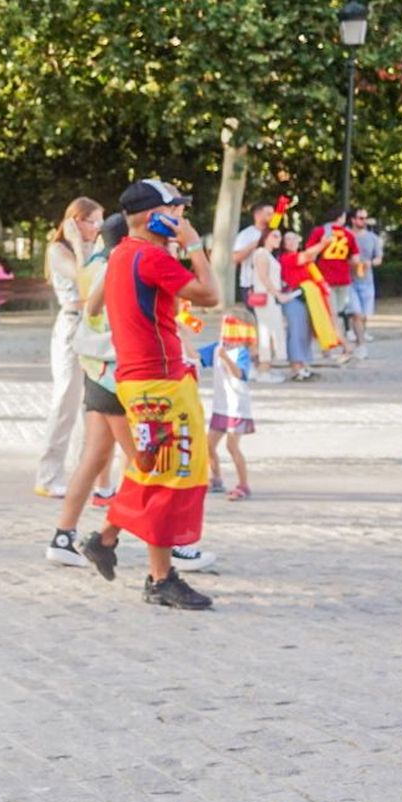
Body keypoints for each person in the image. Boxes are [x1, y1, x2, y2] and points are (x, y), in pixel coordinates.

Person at [77, 178, 218, 610]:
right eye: (175, 209)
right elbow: (211, 294)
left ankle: (106, 538)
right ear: (152, 215)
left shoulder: (122, 254)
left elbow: (95, 306)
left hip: (141, 379)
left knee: (152, 466)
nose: (182, 217)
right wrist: (194, 245)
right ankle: (160, 578)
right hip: (160, 381)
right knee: (173, 473)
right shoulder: (149, 257)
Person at [44, 213, 132, 567]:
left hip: (95, 367)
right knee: (146, 464)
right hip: (119, 371)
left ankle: (63, 536)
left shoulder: (94, 264)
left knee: (93, 457)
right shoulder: (121, 267)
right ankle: (161, 542)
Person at [34, 197, 103, 498]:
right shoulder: (58, 250)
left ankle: (81, 472)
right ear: (76, 221)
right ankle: (48, 475)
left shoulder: (95, 247)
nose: (97, 227)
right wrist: (77, 242)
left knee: (91, 402)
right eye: (92, 221)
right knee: (66, 399)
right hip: (72, 322)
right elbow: (83, 278)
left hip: (93, 324)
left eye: (101, 221)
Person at [207, 316, 257, 500]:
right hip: (221, 406)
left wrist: (225, 358)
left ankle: (244, 485)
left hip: (237, 407)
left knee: (232, 446)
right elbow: (195, 356)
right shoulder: (216, 348)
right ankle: (216, 478)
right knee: (208, 445)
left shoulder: (241, 352)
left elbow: (239, 374)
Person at [306, 206, 362, 360]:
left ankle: (328, 347)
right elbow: (356, 260)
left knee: (328, 314)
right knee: (336, 313)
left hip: (323, 278)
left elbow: (309, 253)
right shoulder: (349, 235)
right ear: (341, 217)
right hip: (343, 279)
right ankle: (337, 345)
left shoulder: (320, 231)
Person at [277, 229, 327, 382]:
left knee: (305, 332)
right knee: (296, 331)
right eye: (288, 240)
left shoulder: (300, 259)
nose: (292, 242)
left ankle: (304, 364)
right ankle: (296, 366)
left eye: (294, 238)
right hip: (293, 297)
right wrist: (323, 244)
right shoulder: (286, 258)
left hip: (306, 297)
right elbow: (307, 255)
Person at [246, 227, 293, 382]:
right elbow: (263, 277)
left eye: (279, 236)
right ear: (266, 237)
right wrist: (278, 294)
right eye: (275, 236)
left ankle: (262, 369)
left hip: (270, 298)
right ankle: (263, 371)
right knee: (268, 334)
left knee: (270, 333)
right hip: (267, 298)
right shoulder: (261, 254)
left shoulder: (268, 255)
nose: (278, 239)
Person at [230, 201, 275, 308]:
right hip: (251, 284)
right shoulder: (246, 234)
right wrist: (255, 244)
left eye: (273, 214)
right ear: (257, 215)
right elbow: (236, 258)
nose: (272, 217)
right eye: (268, 214)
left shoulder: (274, 234)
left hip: (272, 283)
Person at [350, 209, 382, 346]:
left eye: (365, 218)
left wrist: (371, 263)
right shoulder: (347, 236)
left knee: (363, 315)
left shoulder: (373, 238)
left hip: (367, 280)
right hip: (350, 280)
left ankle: (360, 337)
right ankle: (360, 343)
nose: (364, 221)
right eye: (361, 218)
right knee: (356, 313)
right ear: (353, 219)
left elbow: (379, 258)